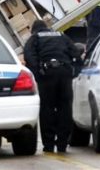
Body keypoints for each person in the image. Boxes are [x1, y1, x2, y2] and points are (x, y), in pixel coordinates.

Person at [23, 20, 81, 153]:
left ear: (34, 30)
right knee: (65, 108)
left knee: (47, 109)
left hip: (47, 75)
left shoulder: (35, 38)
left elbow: (29, 56)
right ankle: (62, 144)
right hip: (64, 74)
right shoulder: (62, 36)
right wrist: (74, 73)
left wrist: (38, 74)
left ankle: (48, 145)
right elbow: (76, 54)